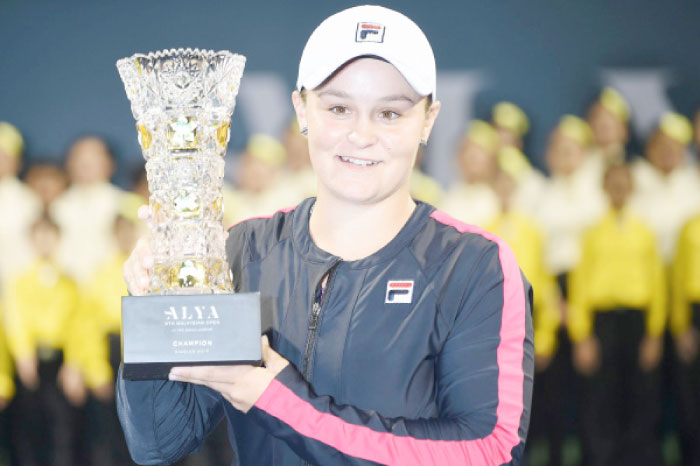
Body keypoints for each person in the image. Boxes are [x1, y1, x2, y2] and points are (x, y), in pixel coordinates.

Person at [118, 5, 534, 466]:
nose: (361, 134)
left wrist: (282, 402)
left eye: (390, 113)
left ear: (429, 120)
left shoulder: (474, 267)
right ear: (301, 110)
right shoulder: (244, 251)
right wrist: (152, 311)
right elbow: (157, 444)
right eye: (338, 108)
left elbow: (491, 452)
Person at [568, 163, 666, 466]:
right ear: (604, 187)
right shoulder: (592, 233)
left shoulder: (645, 233)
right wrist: (582, 335)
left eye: (624, 182)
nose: (619, 188)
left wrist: (654, 333)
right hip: (603, 323)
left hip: (637, 322)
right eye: (613, 182)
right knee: (601, 399)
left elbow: (657, 284)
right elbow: (579, 285)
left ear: (633, 187)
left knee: (640, 398)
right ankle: (602, 458)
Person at [2, 214, 87, 466]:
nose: (44, 242)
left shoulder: (70, 282)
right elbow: (14, 318)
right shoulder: (19, 281)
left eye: (50, 235)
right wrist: (23, 353)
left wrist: (74, 364)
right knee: (27, 429)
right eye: (39, 235)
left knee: (62, 430)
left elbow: (78, 324)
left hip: (59, 362)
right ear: (31, 239)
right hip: (29, 361)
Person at [439, 119, 501, 227]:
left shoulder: (500, 201)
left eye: (481, 151)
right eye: (467, 150)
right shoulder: (448, 197)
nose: (472, 157)